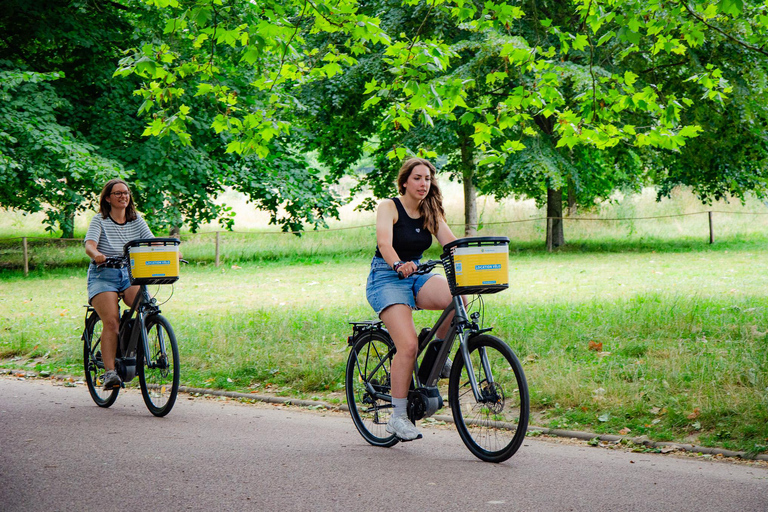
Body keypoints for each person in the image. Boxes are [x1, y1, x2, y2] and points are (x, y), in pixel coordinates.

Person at [365, 157, 459, 441]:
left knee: (459, 299)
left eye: (428, 179)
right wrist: (397, 265)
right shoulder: (389, 207)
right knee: (407, 346)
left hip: (417, 273)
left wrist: (476, 257)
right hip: (387, 276)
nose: (423, 184)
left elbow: (452, 245)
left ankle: (437, 355)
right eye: (417, 178)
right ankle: (398, 416)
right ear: (404, 181)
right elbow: (384, 243)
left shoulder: (430, 210)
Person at [84, 179, 154, 390]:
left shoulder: (136, 221)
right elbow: (89, 245)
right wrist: (96, 254)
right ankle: (110, 373)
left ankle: (129, 347)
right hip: (103, 274)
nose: (123, 196)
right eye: (117, 193)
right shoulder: (100, 220)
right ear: (107, 198)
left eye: (126, 193)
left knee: (144, 308)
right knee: (112, 321)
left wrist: (170, 251)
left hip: (129, 274)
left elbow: (151, 241)